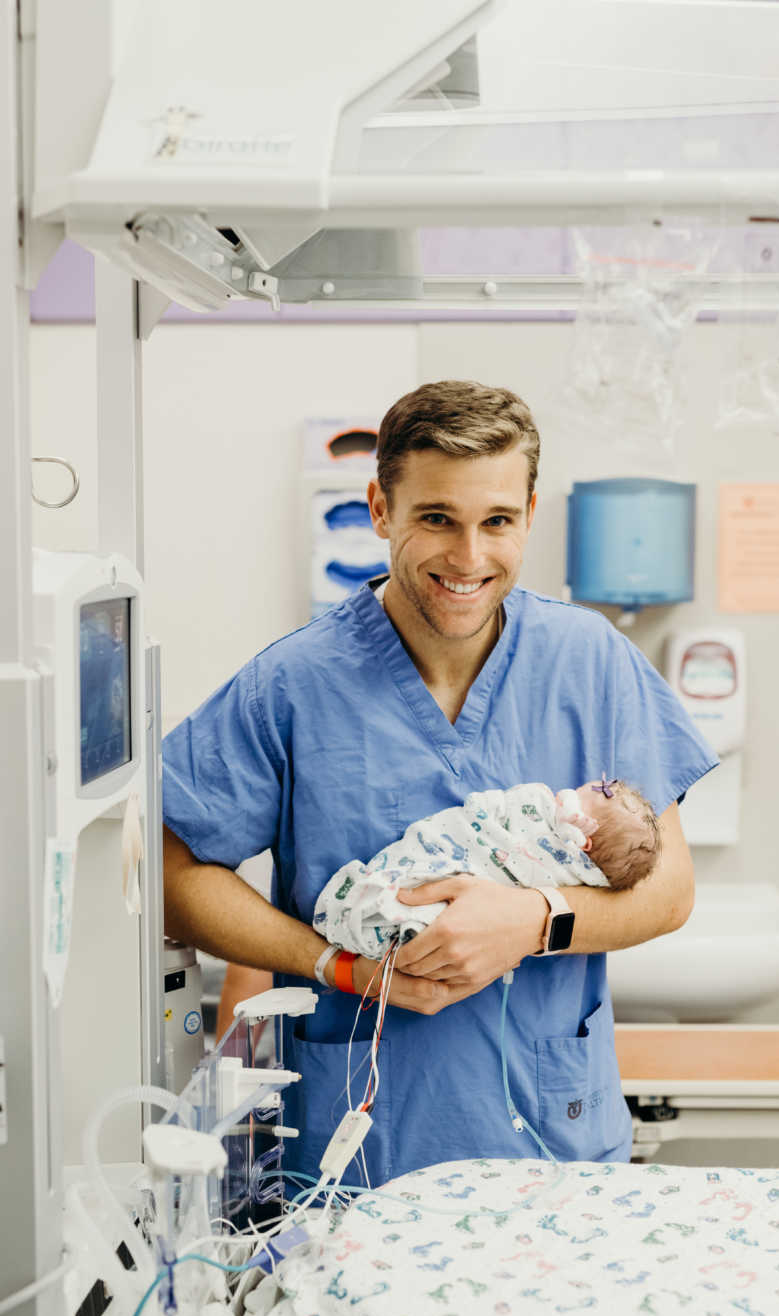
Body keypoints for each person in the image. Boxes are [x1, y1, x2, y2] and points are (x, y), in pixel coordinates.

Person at [162, 379, 718, 1188]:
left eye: (496, 521)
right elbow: (171, 878)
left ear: (529, 514)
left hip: (552, 1143)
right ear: (381, 510)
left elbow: (669, 890)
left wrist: (534, 920)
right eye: (436, 519)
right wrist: (333, 965)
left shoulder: (589, 663)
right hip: (365, 1149)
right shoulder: (293, 685)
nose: (468, 558)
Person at [314, 776, 661, 959]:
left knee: (422, 906)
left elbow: (668, 905)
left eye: (596, 791)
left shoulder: (560, 844)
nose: (577, 788)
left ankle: (380, 916)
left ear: (580, 841)